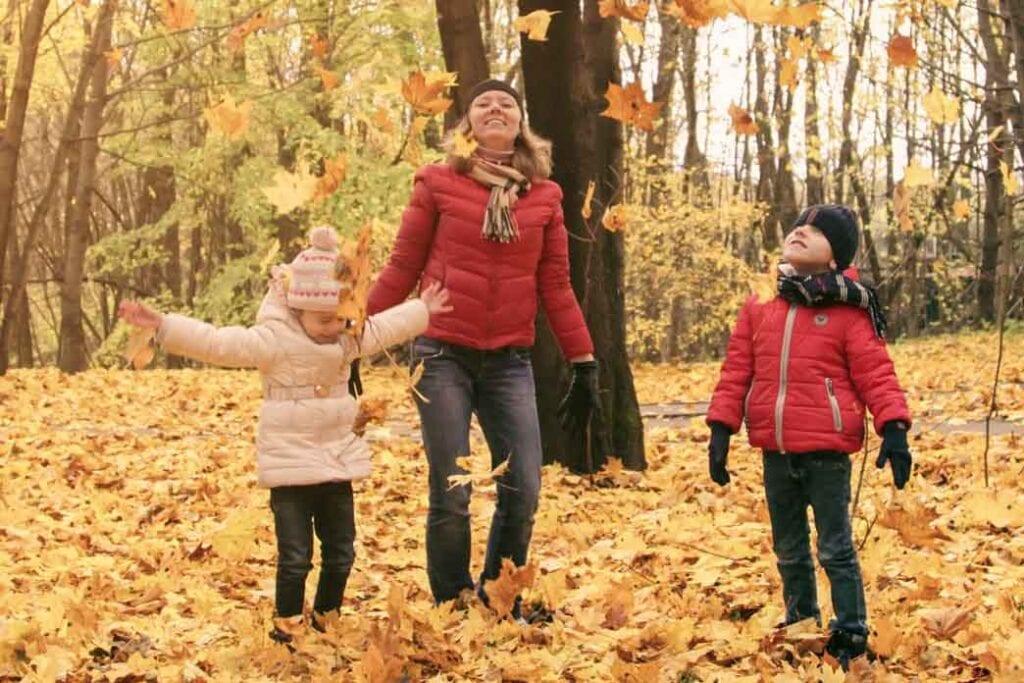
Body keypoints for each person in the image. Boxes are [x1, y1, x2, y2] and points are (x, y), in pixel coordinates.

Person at [118, 226, 451, 644]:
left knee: (342, 552)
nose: (333, 328)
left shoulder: (345, 338)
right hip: (290, 469)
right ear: (297, 310)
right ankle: (287, 628)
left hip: (334, 463)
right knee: (296, 558)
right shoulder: (274, 339)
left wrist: (422, 309)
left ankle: (327, 620)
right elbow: (218, 343)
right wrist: (164, 326)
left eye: (340, 319)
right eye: (322, 320)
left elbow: (383, 329)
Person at [365, 79, 600, 617]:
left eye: (507, 104)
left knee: (524, 486)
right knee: (453, 488)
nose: (496, 109)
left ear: (520, 124)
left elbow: (556, 286)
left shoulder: (544, 196)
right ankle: (451, 602)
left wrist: (584, 361)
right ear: (466, 125)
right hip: (441, 353)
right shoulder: (437, 182)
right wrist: (357, 331)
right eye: (483, 104)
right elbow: (402, 267)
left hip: (509, 361)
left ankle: (498, 597)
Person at [705, 204, 913, 668]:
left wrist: (894, 427)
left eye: (817, 231)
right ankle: (801, 623)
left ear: (836, 258)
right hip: (775, 452)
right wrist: (722, 427)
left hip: (826, 452)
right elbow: (737, 369)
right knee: (789, 548)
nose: (801, 232)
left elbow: (877, 374)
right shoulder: (761, 302)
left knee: (835, 547)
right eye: (799, 225)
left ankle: (851, 630)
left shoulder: (848, 310)